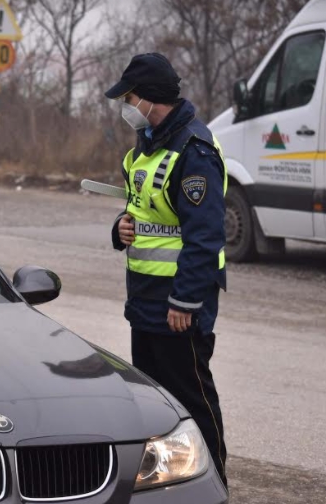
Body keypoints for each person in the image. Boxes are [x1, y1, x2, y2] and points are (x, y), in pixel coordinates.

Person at [105, 53, 228, 486]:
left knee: (191, 400)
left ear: (151, 98)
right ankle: (167, 484)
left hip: (179, 304)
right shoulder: (146, 146)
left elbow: (206, 235)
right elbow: (144, 210)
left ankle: (213, 482)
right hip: (144, 300)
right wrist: (121, 228)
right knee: (156, 404)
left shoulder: (194, 152)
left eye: (129, 97)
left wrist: (185, 300)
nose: (124, 106)